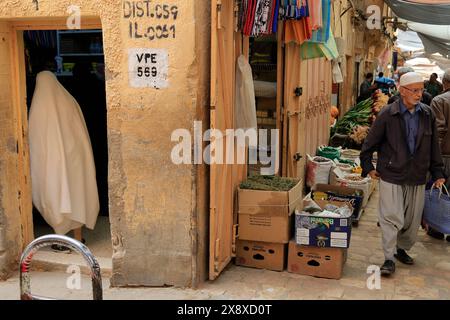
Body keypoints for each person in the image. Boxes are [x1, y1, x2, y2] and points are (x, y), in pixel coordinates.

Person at [360, 72, 446, 276]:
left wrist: (437, 171)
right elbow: (369, 143)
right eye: (415, 90)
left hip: (417, 175)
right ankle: (388, 257)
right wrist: (368, 166)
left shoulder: (427, 114)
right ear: (402, 91)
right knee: (391, 217)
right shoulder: (388, 114)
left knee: (411, 220)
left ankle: (401, 249)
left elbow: (433, 145)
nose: (419, 94)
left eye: (421, 90)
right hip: (391, 173)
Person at [29, 70, 100, 251]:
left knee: (55, 195)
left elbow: (35, 140)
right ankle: (78, 239)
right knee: (77, 196)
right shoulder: (69, 100)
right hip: (75, 159)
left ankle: (60, 240)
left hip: (51, 164)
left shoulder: (38, 106)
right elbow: (80, 132)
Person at [429, 68, 450, 242]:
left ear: (445, 83)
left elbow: (438, 130)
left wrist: (432, 156)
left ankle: (436, 228)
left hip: (443, 154)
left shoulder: (439, 100)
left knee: (438, 191)